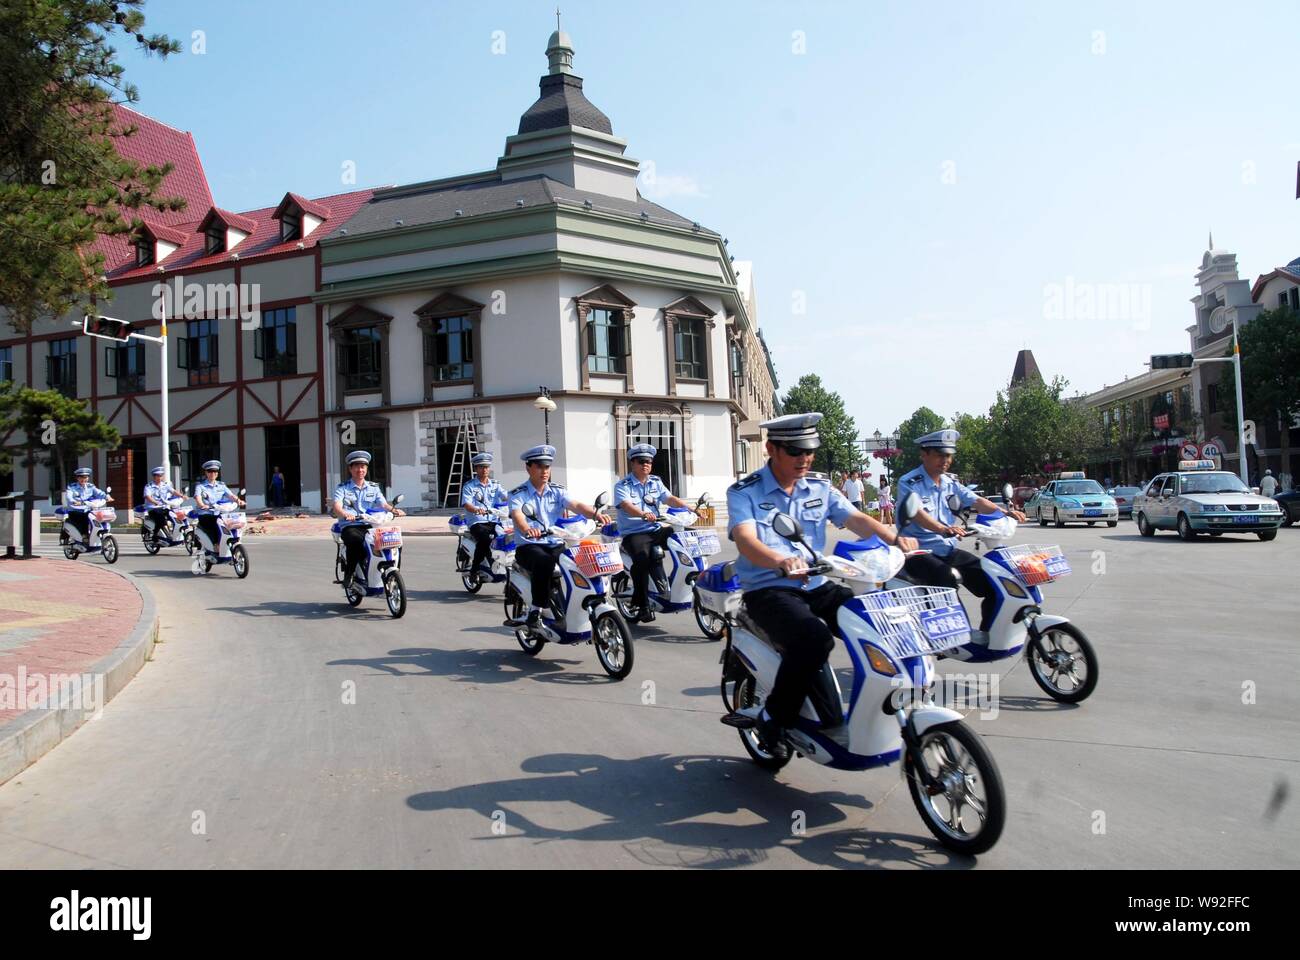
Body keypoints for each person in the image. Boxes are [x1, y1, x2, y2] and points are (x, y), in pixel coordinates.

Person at [728, 413, 917, 759]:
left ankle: (881, 707)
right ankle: (775, 716)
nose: (804, 458)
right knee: (814, 638)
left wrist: (895, 538)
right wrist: (780, 560)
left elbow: (855, 518)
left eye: (809, 451)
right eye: (795, 451)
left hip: (817, 583)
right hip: (769, 589)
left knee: (879, 621)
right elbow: (744, 538)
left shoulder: (818, 487)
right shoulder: (746, 491)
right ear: (771, 448)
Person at [895, 430, 1027, 642]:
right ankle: (954, 637)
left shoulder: (950, 483)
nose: (945, 460)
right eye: (939, 455)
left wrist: (1005, 512)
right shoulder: (909, 482)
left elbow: (976, 501)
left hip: (945, 549)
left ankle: (986, 637)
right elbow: (917, 513)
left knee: (995, 579)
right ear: (924, 454)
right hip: (918, 551)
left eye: (948, 456)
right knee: (947, 577)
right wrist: (943, 528)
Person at [508, 444, 611, 628]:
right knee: (544, 562)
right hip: (529, 545)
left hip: (555, 543)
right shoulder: (518, 494)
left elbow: (577, 505)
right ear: (528, 468)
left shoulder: (557, 490)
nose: (544, 471)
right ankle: (536, 608)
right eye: (539, 466)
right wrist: (527, 530)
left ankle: (583, 604)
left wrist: (595, 514)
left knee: (582, 560)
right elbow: (518, 516)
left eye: (547, 466)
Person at [614, 443, 692, 623]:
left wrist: (690, 508)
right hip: (635, 533)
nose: (646, 465)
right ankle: (642, 605)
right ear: (632, 463)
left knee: (687, 538)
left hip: (656, 530)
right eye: (641, 462)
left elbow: (669, 498)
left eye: (649, 462)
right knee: (641, 559)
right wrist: (643, 514)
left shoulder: (656, 482)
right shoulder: (622, 485)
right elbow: (626, 505)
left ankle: (679, 584)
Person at [332, 451, 405, 590]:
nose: (360, 470)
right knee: (355, 540)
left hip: (371, 524)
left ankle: (393, 573)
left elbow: (383, 504)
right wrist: (345, 514)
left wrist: (394, 510)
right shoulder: (343, 487)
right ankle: (350, 574)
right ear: (350, 469)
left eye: (363, 467)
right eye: (357, 467)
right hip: (351, 525)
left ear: (366, 469)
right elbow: (337, 506)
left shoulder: (374, 487)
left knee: (395, 541)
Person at [460, 452, 507, 579]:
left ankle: (502, 564)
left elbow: (506, 496)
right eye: (481, 467)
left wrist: (518, 501)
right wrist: (476, 509)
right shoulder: (469, 486)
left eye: (486, 467)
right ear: (476, 468)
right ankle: (474, 570)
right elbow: (466, 503)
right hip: (477, 522)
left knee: (507, 539)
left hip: (494, 521)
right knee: (485, 540)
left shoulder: (495, 485)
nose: (485, 469)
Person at [194, 460, 245, 553]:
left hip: (219, 512)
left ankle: (231, 543)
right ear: (206, 472)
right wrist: (202, 505)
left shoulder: (221, 485)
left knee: (232, 522)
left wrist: (238, 500)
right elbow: (198, 498)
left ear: (217, 473)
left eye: (215, 471)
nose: (212, 473)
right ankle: (215, 544)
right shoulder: (200, 486)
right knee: (214, 523)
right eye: (210, 471)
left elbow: (231, 495)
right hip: (206, 513)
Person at [64, 466, 110, 545]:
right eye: (81, 477)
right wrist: (74, 501)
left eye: (85, 477)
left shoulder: (90, 486)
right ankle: (84, 536)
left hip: (89, 509)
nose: (83, 479)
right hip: (75, 510)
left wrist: (107, 497)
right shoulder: (72, 487)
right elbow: (69, 496)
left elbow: (98, 493)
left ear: (88, 478)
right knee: (84, 518)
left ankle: (98, 535)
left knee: (99, 517)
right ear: (77, 478)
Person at [142, 465, 177, 543]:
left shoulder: (165, 485)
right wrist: (154, 502)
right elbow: (147, 496)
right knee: (160, 518)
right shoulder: (149, 486)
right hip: (153, 508)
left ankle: (174, 533)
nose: (160, 477)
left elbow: (173, 491)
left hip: (163, 507)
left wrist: (182, 496)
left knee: (174, 515)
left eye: (161, 476)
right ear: (154, 477)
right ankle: (155, 535)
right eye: (158, 476)